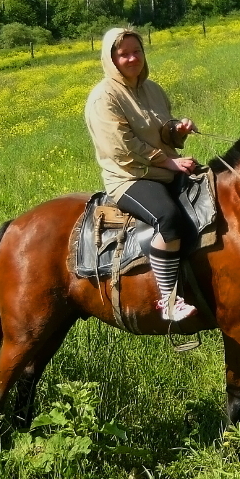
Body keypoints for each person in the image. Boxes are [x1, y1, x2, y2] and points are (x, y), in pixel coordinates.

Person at [84, 28, 200, 322]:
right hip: (130, 178)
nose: (132, 58)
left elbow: (161, 129)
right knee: (169, 219)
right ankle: (169, 300)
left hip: (163, 169)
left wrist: (177, 130)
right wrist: (170, 164)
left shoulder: (153, 89)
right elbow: (123, 148)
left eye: (137, 51)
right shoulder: (103, 99)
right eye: (123, 54)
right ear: (111, 59)